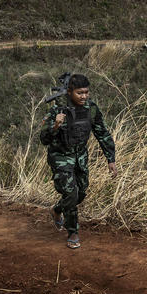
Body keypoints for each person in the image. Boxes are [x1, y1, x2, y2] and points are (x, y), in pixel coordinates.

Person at [40, 73, 117, 249]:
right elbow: (43, 139)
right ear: (69, 92)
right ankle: (73, 232)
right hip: (60, 157)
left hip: (80, 157)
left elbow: (102, 133)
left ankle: (57, 210)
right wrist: (55, 126)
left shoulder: (91, 109)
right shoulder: (57, 111)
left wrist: (110, 159)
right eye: (79, 93)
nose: (84, 96)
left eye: (86, 92)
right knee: (71, 194)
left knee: (81, 192)